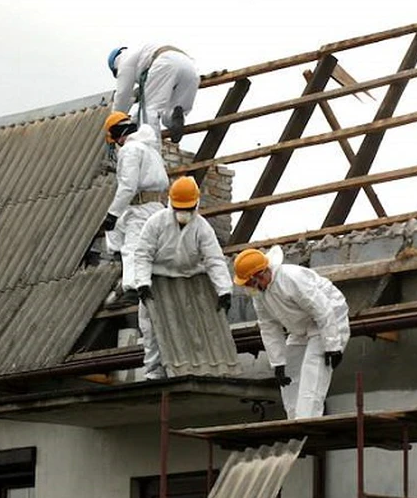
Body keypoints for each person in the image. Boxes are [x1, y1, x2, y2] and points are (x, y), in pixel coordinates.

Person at [233, 246, 350, 419]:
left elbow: (322, 309)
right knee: (290, 370)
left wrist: (332, 344)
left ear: (259, 275)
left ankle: (307, 421)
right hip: (301, 328)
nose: (249, 288)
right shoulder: (260, 294)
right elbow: (269, 327)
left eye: (249, 283)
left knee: (314, 370)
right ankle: (293, 419)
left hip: (327, 320)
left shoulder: (292, 279)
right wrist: (278, 363)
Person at [134, 176, 232, 380]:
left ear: (195, 204)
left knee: (195, 327)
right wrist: (142, 283)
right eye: (180, 208)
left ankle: (197, 368)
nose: (184, 213)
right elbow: (142, 254)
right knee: (152, 327)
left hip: (190, 279)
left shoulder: (202, 227)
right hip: (158, 279)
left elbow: (214, 259)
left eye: (187, 208)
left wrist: (224, 290)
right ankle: (154, 371)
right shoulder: (156, 222)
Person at [101, 111, 169, 304]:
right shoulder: (149, 148)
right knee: (120, 230)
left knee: (133, 247)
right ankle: (120, 263)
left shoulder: (130, 150)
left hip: (141, 207)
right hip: (156, 205)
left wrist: (112, 214)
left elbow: (128, 186)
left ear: (117, 135)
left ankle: (131, 287)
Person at [107, 45, 199, 143]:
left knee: (150, 110)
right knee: (171, 110)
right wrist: (133, 121)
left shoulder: (123, 61)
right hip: (190, 68)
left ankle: (151, 148)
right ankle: (172, 116)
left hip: (165, 63)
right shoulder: (140, 53)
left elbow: (123, 94)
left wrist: (113, 124)